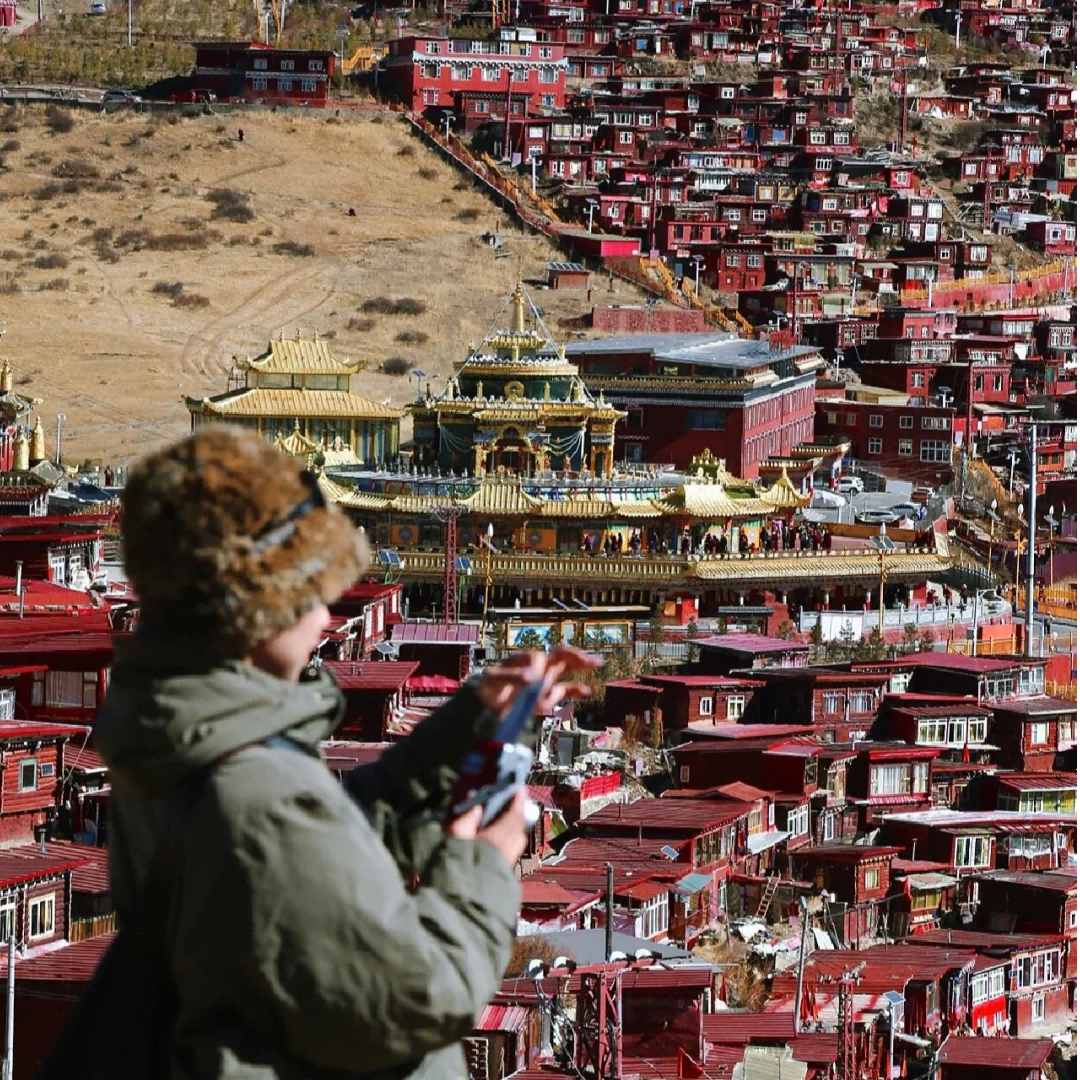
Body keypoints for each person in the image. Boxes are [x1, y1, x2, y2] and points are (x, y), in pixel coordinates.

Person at [96, 426, 598, 1080]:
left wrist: (466, 728)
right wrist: (481, 867)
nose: (325, 617)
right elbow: (414, 997)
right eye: (313, 591)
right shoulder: (250, 792)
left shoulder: (184, 746)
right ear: (258, 605)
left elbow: (317, 855)